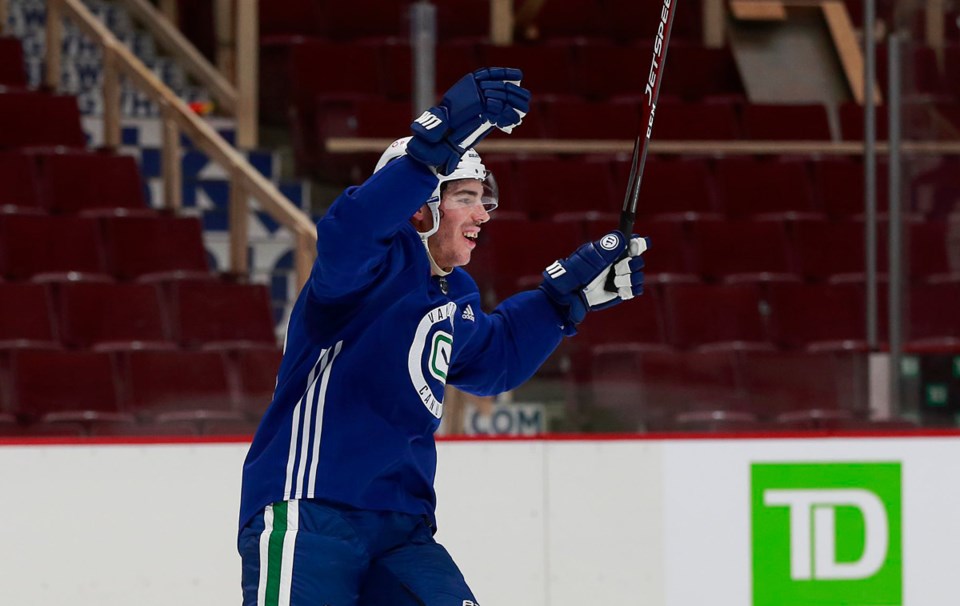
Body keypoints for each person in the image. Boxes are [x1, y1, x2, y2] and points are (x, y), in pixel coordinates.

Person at [238, 67, 649, 606]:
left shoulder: (453, 296)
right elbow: (350, 230)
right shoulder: (364, 271)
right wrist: (433, 147)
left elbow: (494, 359)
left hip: (403, 526)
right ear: (419, 208)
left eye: (484, 199)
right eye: (466, 197)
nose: (482, 214)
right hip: (311, 508)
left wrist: (561, 302)